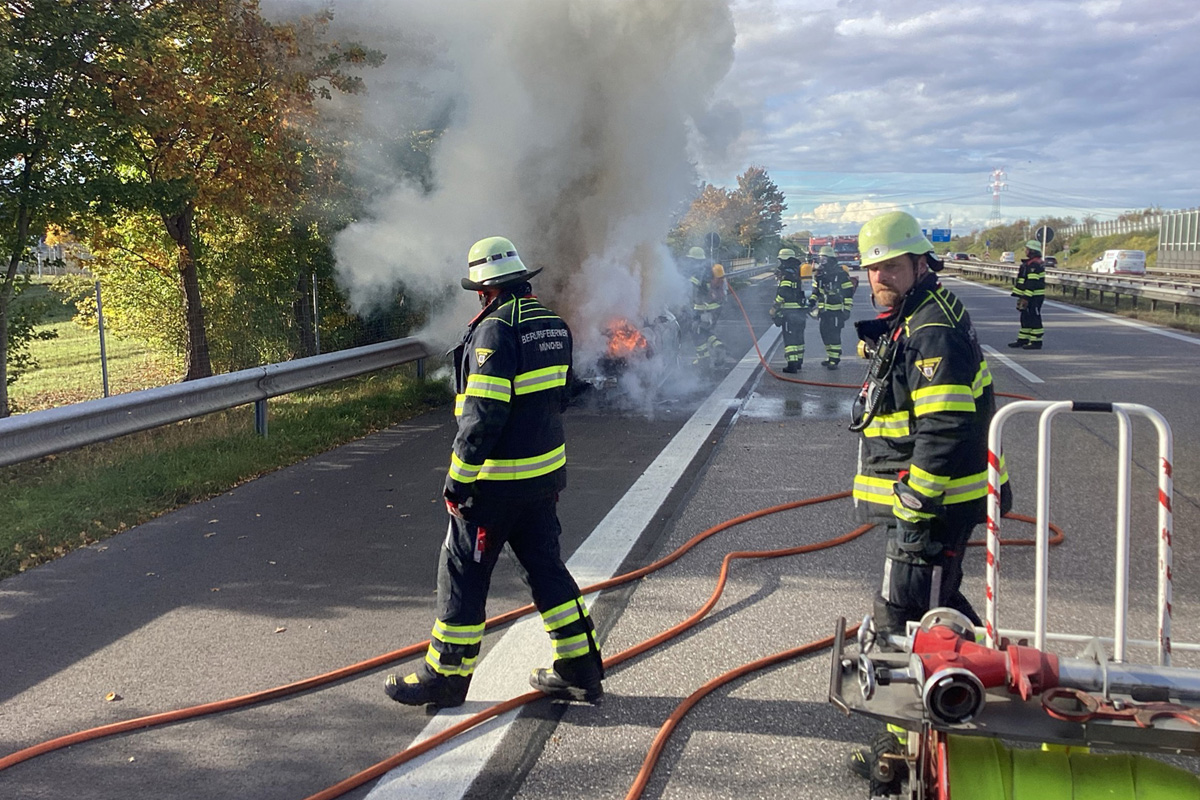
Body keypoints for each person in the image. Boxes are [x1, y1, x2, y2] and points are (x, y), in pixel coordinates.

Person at [384, 236, 603, 709]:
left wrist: (458, 481)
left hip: (494, 487)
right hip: (543, 481)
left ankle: (446, 676)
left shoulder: (495, 331)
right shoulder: (554, 326)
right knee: (546, 570)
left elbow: (483, 415)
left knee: (462, 574)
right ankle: (581, 667)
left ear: (484, 291)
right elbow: (563, 395)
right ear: (520, 280)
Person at [846, 211, 1011, 784]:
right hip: (930, 500)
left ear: (921, 263)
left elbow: (944, 425)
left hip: (933, 504)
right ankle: (991, 684)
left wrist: (916, 502)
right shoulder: (918, 315)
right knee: (936, 606)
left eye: (891, 266)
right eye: (872, 268)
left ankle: (903, 746)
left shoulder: (930, 328)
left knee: (906, 614)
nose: (880, 277)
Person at [808, 245, 856, 369]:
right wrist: (811, 302)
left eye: (824, 259)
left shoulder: (840, 274)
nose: (821, 262)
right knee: (824, 334)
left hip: (836, 312)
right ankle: (830, 356)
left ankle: (835, 359)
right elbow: (816, 292)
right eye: (820, 259)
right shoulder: (819, 275)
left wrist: (847, 310)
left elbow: (848, 293)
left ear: (831, 259)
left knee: (834, 336)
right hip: (823, 312)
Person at [686, 246, 728, 370]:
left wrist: (687, 302)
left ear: (695, 260)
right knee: (703, 330)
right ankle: (716, 345)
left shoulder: (698, 273)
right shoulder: (712, 270)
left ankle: (703, 359)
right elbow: (724, 289)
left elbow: (692, 291)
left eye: (691, 260)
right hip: (716, 307)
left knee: (696, 331)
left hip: (703, 308)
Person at [768, 248, 807, 372]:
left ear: (784, 260)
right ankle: (799, 361)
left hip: (790, 312)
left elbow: (783, 292)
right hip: (801, 311)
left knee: (790, 339)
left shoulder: (786, 275)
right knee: (799, 337)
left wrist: (775, 306)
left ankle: (792, 365)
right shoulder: (798, 272)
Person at [1008, 239, 1046, 350]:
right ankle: (1023, 339)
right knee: (1025, 318)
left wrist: (1026, 297)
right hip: (1027, 295)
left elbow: (1032, 283)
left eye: (1027, 249)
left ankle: (1036, 341)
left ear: (1032, 251)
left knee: (1034, 317)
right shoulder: (1029, 264)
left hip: (1034, 297)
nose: (1026, 251)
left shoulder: (1035, 265)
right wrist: (1020, 295)